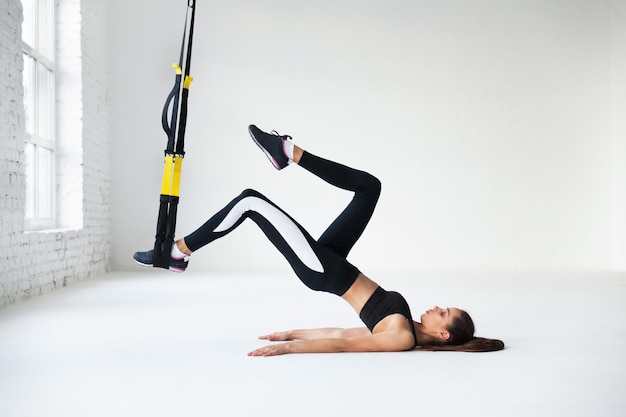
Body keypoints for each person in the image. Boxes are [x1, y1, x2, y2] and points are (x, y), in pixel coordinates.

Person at [134, 125, 504, 356]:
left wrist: (292, 347)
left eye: (443, 313)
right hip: (335, 260)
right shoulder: (405, 323)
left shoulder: (402, 337)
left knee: (249, 201)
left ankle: (176, 253)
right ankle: (287, 151)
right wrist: (292, 331)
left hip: (324, 271)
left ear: (442, 333)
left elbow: (343, 342)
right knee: (369, 187)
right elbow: (341, 331)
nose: (437, 307)